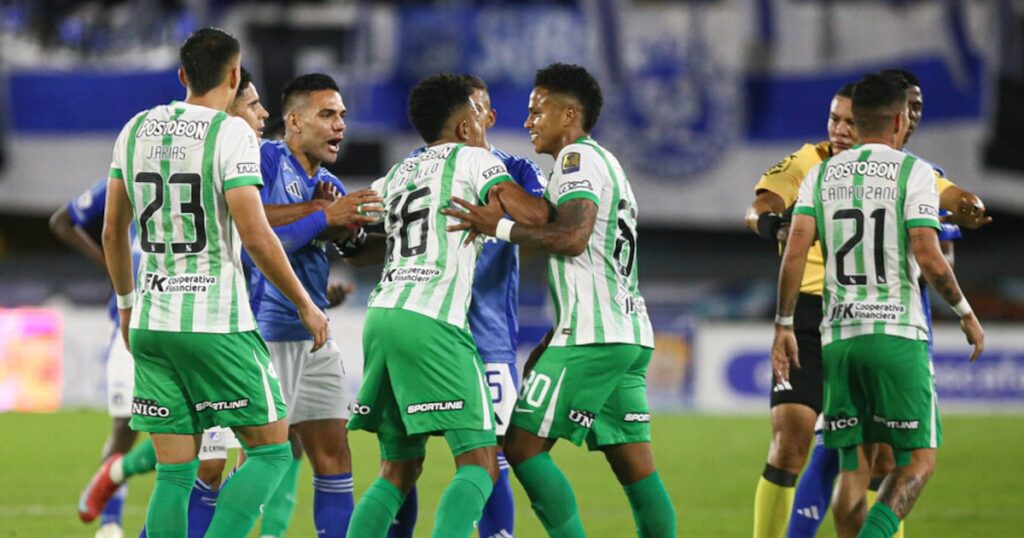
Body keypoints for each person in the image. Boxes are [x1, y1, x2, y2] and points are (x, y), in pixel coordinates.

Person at [98, 27, 328, 537]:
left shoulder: (134, 129)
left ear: (183, 75)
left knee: (174, 473)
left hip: (152, 323)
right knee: (272, 451)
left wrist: (127, 306)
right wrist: (304, 303)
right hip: (216, 324)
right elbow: (257, 236)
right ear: (234, 75)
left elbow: (113, 231)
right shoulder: (230, 134)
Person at [747, 78, 992, 538]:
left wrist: (968, 206)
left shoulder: (832, 177)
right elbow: (930, 252)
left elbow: (959, 199)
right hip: (867, 324)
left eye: (848, 121)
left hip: (840, 329)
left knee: (857, 460)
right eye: (833, 119)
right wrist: (965, 311)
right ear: (897, 119)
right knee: (881, 456)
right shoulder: (823, 164)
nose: (840, 129)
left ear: (863, 121)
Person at [443, 63, 676, 537]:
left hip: (593, 339)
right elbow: (588, 257)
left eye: (537, 111)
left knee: (520, 447)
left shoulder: (577, 160)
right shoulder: (604, 164)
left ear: (569, 114)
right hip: (624, 334)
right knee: (636, 470)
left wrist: (499, 227)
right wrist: (553, 336)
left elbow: (572, 239)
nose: (528, 121)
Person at [75, 66, 274, 538]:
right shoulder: (195, 155)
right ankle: (117, 485)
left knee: (201, 460)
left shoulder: (251, 157)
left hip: (193, 321)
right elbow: (263, 235)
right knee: (237, 453)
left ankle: (119, 473)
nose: (263, 114)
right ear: (226, 105)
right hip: (199, 324)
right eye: (252, 105)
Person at [343, 72, 545, 538]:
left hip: (383, 315)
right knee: (481, 463)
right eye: (477, 111)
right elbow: (536, 215)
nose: (485, 119)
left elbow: (354, 226)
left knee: (398, 469)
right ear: (463, 125)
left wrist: (334, 224)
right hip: (436, 322)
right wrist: (503, 219)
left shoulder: (401, 171)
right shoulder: (476, 160)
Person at [246, 72, 382, 538]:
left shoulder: (328, 182)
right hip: (267, 334)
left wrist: (367, 233)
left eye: (342, 115)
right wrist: (323, 215)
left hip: (315, 336)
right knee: (260, 462)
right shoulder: (264, 159)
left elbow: (354, 250)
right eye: (327, 114)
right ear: (294, 121)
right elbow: (256, 236)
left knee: (334, 457)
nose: (339, 124)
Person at [55, 177, 147, 538]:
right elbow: (62, 221)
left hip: (187, 323)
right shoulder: (125, 177)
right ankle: (110, 522)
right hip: (131, 324)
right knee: (125, 426)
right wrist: (111, 263)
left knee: (194, 437)